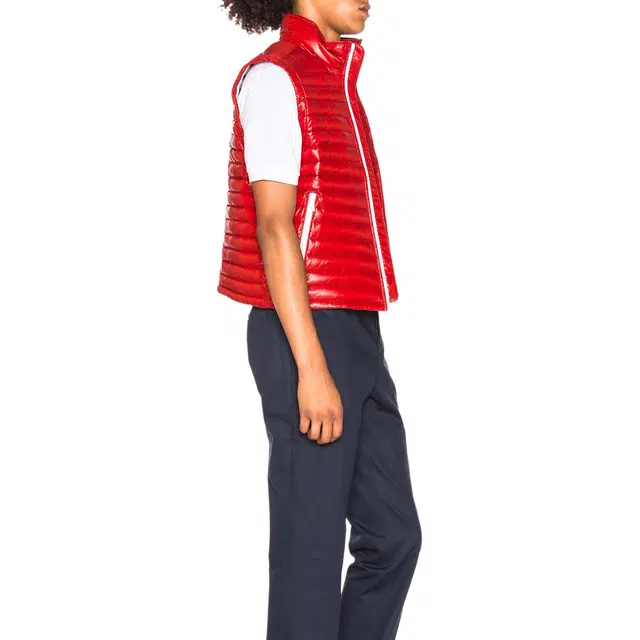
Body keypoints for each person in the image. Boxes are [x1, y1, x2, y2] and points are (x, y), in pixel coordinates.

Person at [217, 3, 422, 639]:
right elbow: (274, 225)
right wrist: (310, 366)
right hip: (304, 329)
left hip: (355, 327)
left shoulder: (333, 78)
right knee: (310, 553)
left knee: (393, 536)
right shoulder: (276, 77)